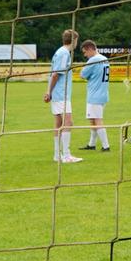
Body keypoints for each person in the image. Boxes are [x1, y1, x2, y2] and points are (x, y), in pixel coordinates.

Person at [45, 28, 82, 163]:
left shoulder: (60, 52)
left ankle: (57, 155)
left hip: (58, 93)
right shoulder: (64, 53)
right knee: (68, 122)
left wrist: (48, 91)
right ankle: (66, 155)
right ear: (74, 40)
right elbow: (55, 74)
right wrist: (49, 91)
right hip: (61, 94)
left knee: (59, 123)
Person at [76, 39, 112, 151]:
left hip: (95, 95)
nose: (85, 55)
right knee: (93, 119)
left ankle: (106, 146)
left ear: (90, 49)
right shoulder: (104, 58)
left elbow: (82, 75)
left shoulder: (94, 60)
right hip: (103, 94)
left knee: (97, 120)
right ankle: (92, 144)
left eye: (85, 52)